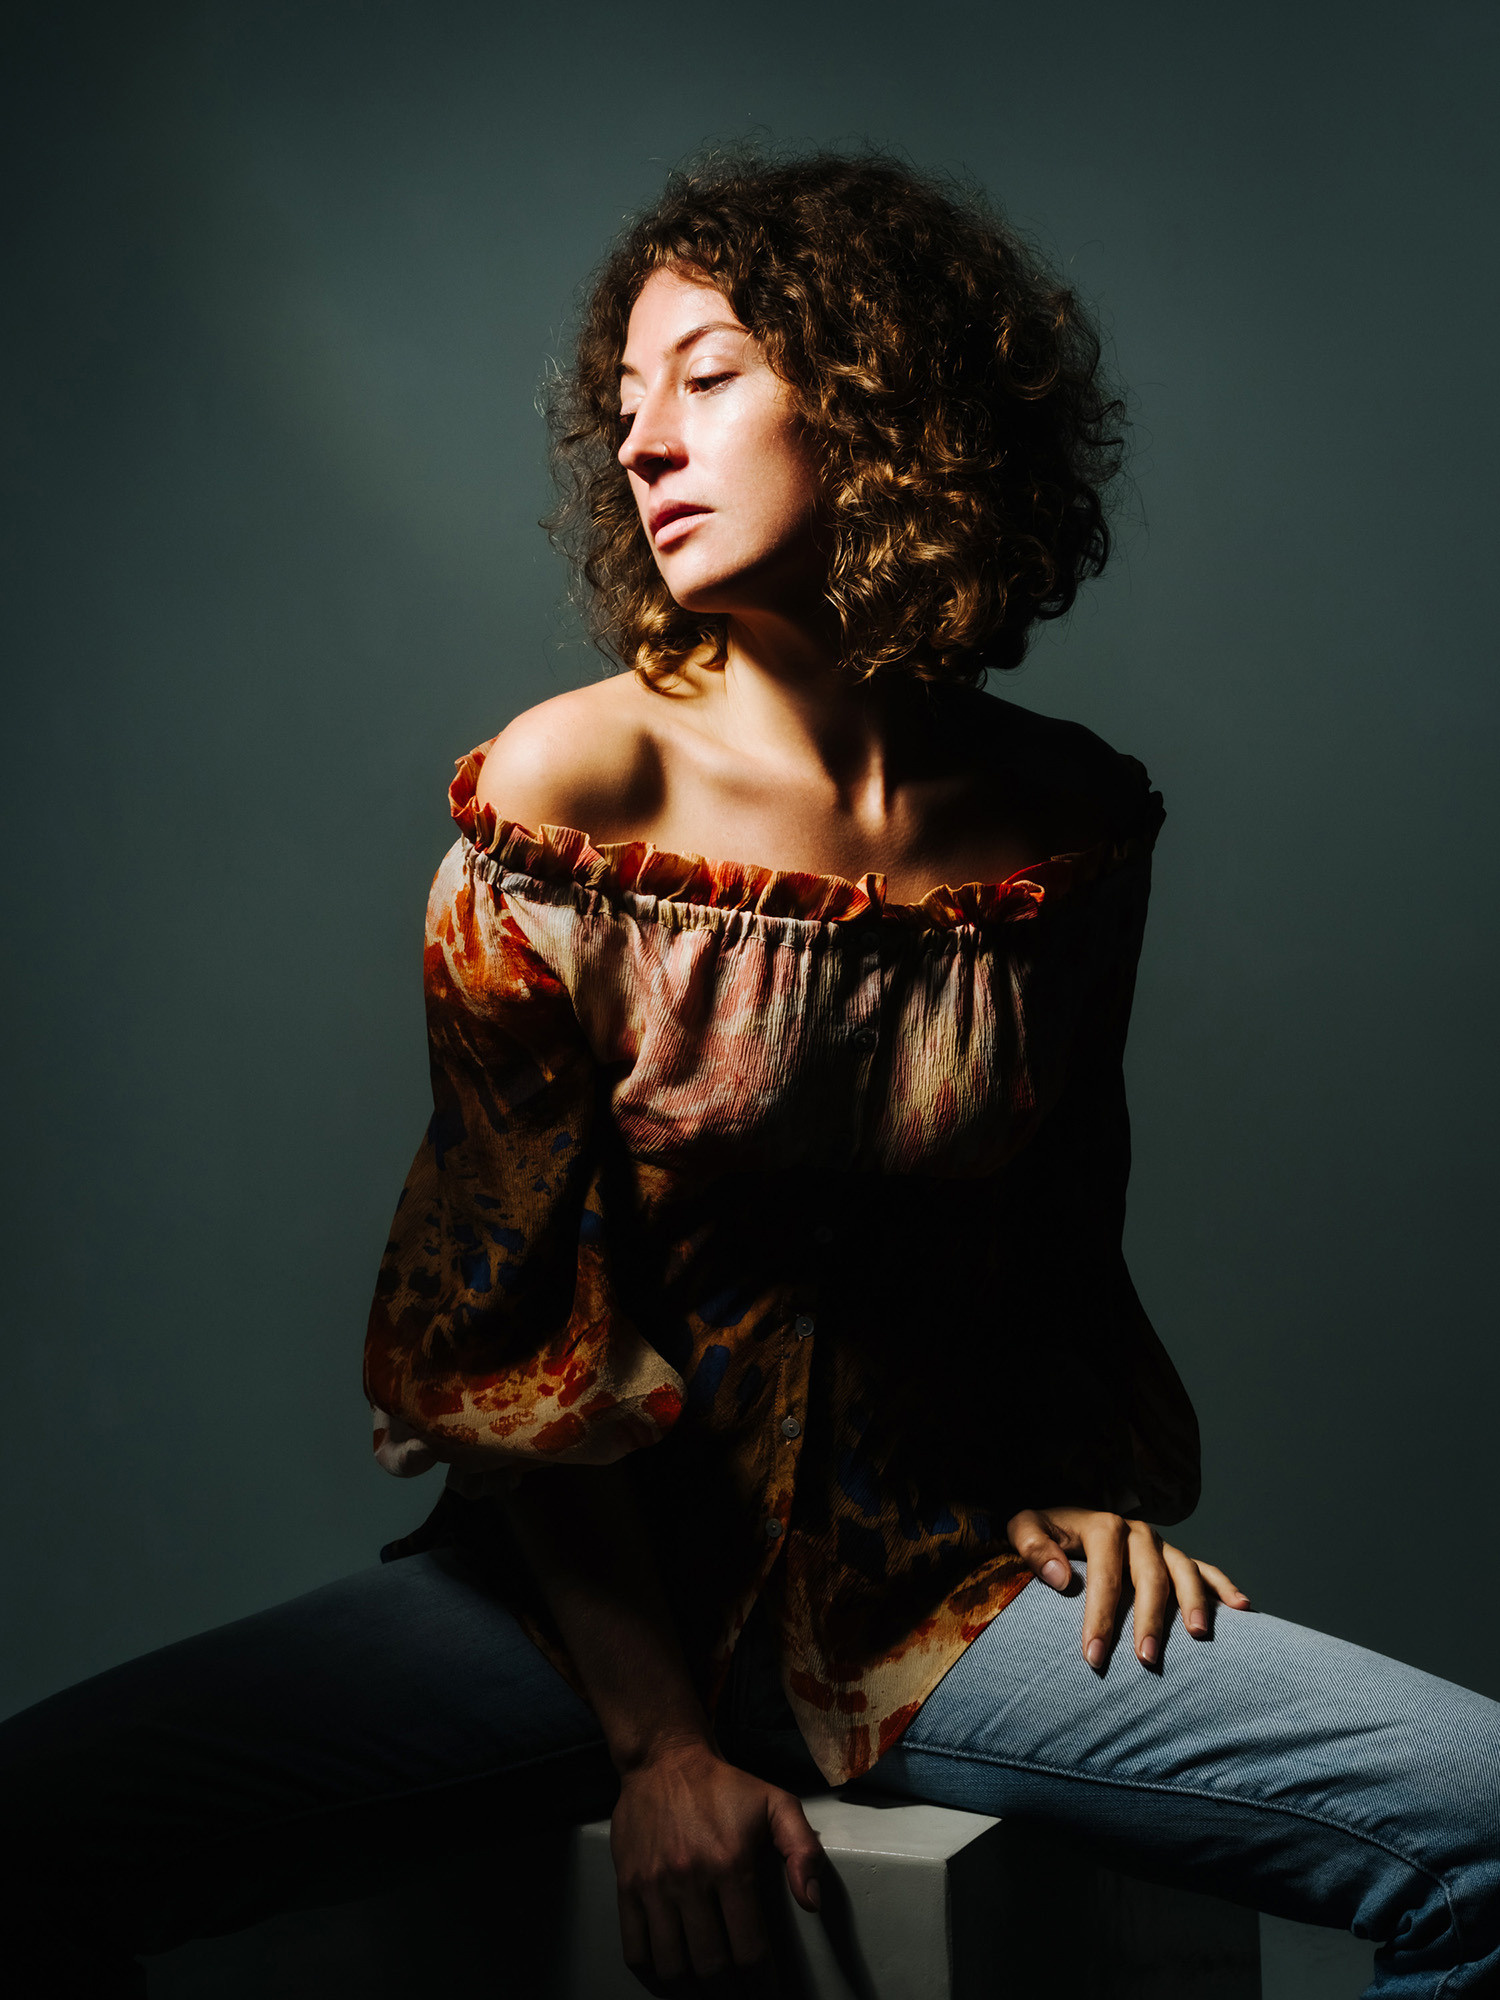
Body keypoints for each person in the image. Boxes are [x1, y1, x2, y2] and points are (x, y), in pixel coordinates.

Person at [3, 151, 1496, 1999]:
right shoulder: (563, 801)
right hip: (567, 1618)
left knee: (1485, 1817)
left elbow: (1058, 1223)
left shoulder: (1069, 824)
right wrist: (659, 1751)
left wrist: (1078, 1479)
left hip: (938, 1602)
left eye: (707, 379)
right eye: (626, 403)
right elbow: (507, 1335)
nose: (644, 443)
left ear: (883, 407)